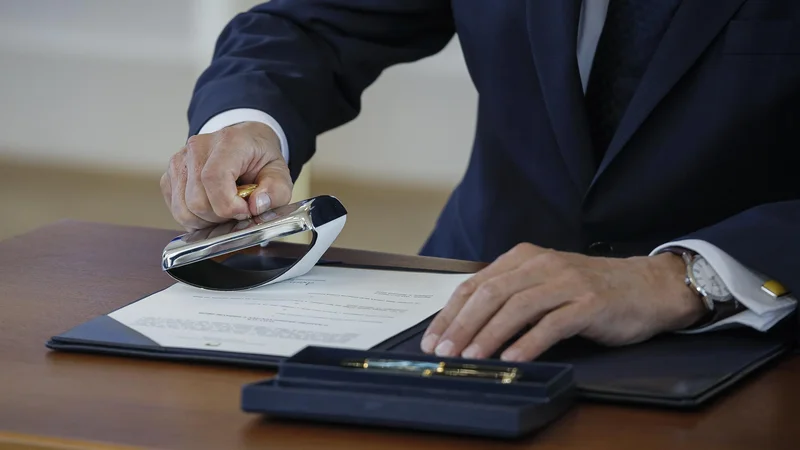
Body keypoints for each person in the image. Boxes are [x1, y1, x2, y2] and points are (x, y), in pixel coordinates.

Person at [161, 0, 799, 362]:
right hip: (466, 303)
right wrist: (243, 125)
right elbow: (310, 23)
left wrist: (687, 278)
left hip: (750, 327)